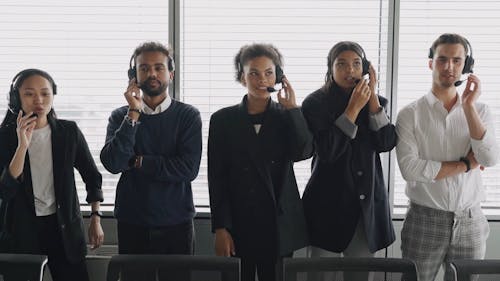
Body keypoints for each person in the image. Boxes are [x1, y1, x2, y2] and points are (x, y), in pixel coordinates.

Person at [396, 33, 499, 281]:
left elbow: (489, 158)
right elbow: (411, 169)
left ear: (466, 65)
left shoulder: (481, 110)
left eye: (457, 60)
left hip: (470, 219)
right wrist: (465, 164)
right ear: (431, 63)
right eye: (442, 59)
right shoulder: (410, 114)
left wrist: (469, 108)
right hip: (424, 219)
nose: (449, 67)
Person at [208, 43, 313, 281]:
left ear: (278, 77)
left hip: (278, 222)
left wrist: (294, 109)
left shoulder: (288, 116)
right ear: (242, 77)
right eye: (253, 73)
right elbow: (217, 177)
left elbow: (304, 152)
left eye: (268, 73)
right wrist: (221, 228)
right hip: (238, 222)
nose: (261, 79)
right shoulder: (223, 120)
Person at [100, 42, 202, 280]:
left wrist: (138, 162)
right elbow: (114, 163)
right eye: (144, 68)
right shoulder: (120, 116)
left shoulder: (188, 116)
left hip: (176, 223)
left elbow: (188, 169)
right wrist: (133, 114)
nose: (152, 73)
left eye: (159, 67)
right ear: (133, 76)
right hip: (132, 221)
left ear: (171, 74)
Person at [301, 41, 396, 281]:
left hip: (365, 209)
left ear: (364, 68)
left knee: (361, 275)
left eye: (356, 64)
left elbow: (386, 143)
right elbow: (328, 151)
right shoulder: (314, 103)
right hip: (326, 205)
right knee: (320, 275)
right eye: (341, 64)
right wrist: (353, 109)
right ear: (330, 69)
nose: (349, 70)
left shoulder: (377, 102)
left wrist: (372, 99)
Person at [0, 69, 104, 281]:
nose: (38, 99)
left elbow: (92, 176)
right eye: (29, 94)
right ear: (16, 99)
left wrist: (95, 217)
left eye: (45, 93)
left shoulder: (68, 132)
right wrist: (22, 146)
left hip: (63, 227)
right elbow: (6, 190)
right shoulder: (4, 137)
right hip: (21, 229)